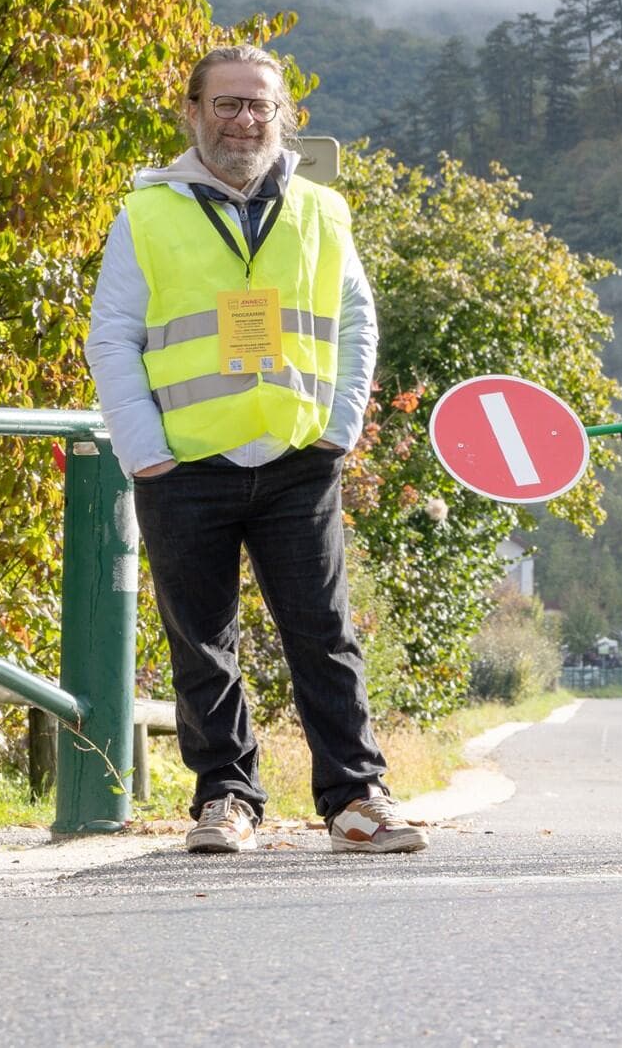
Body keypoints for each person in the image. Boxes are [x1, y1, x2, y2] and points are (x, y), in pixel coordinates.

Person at [84, 45, 423, 856]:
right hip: (186, 461)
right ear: (192, 113)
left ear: (284, 117)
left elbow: (356, 323)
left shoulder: (322, 211)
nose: (244, 120)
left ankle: (356, 798)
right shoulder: (146, 213)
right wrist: (145, 451)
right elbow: (113, 337)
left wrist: (340, 425)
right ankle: (227, 799)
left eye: (259, 106)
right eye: (227, 104)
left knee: (324, 632)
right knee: (201, 640)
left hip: (298, 455)